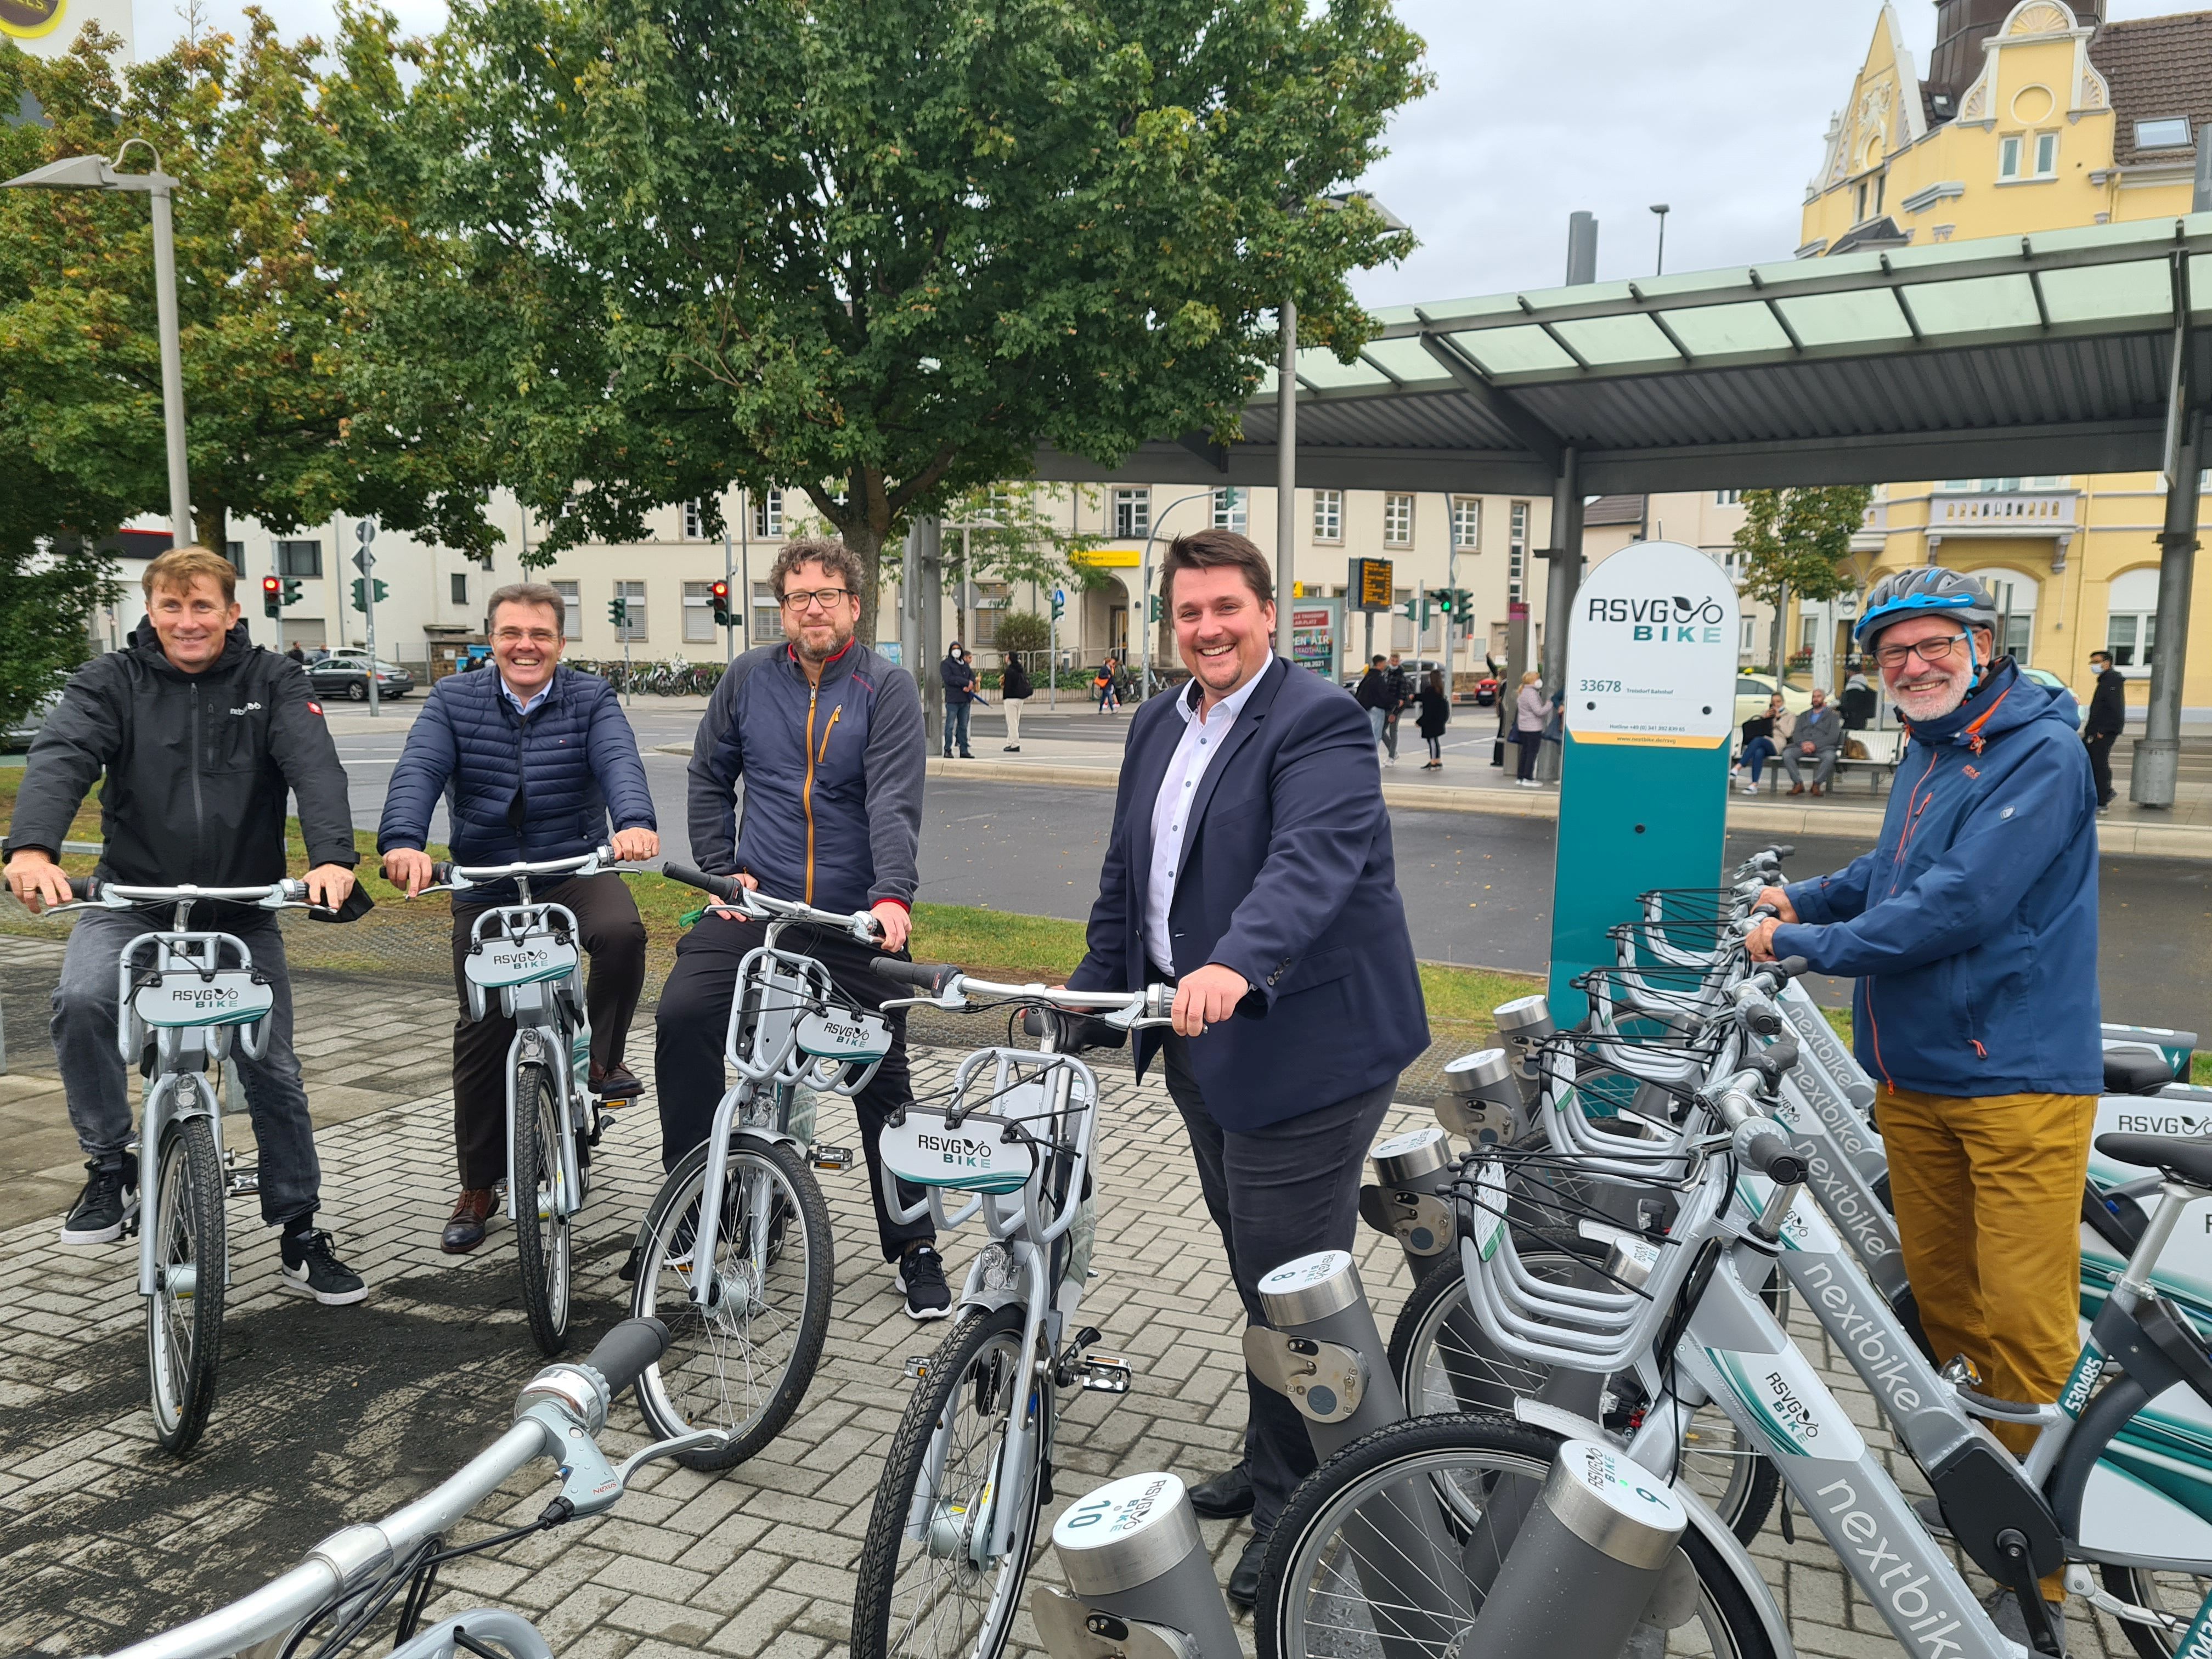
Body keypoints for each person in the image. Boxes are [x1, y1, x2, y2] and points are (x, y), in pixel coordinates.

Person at [1066, 528, 1427, 1607]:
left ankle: (1298, 1507)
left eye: (1227, 608)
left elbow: (1307, 863)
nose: (1209, 629)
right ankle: (1276, 1456)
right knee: (1255, 1273)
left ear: (1268, 611)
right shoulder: (1155, 722)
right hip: (1201, 1043)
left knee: (1288, 1294)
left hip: (1306, 1048)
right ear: (1167, 625)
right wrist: (1084, 992)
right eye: (1188, 614)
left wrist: (1232, 961)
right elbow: (1132, 874)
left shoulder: (1317, 720)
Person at [1745, 566, 2096, 1633]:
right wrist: (1802, 894)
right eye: (1895, 653)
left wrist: (1803, 944)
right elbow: (1894, 870)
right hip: (1922, 1079)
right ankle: (1986, 1499)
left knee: (2025, 1329)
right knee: (1945, 1311)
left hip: (2015, 1083)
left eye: (1935, 643)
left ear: (1982, 644)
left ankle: (2039, 1559)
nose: (1915, 664)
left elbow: (1962, 901)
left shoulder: (2037, 750)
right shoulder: (1936, 752)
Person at [2, 547, 368, 1304]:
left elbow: (315, 768)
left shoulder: (273, 680)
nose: (188, 621)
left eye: (203, 606)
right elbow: (63, 754)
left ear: (232, 613)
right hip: (132, 896)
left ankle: (299, 1231)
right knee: (82, 1001)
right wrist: (33, 847)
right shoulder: (112, 680)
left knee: (272, 1067)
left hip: (241, 904)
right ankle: (109, 1164)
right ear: (152, 612)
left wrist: (333, 860)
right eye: (172, 607)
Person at [659, 538, 949, 1319]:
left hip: (854, 916)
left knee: (884, 1078)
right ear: (781, 609)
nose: (811, 607)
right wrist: (724, 869)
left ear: (855, 604)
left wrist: (892, 899)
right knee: (684, 1016)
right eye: (797, 597)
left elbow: (893, 800)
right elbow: (710, 775)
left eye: (826, 594)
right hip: (759, 909)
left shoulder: (884, 688)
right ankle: (691, 1211)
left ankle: (914, 1243)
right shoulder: (750, 678)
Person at [379, 583, 659, 1254]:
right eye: (511, 634)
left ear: (560, 643)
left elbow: (620, 760)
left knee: (621, 934)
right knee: (482, 1025)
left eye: (539, 635)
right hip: (488, 878)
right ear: (491, 641)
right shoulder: (453, 699)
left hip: (574, 868)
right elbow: (419, 769)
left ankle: (602, 1064)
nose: (525, 646)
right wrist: (402, 841)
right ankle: (478, 1184)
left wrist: (636, 823)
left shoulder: (590, 698)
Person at [2083, 648, 2126, 813]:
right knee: (2093, 761)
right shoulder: (2106, 680)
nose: (2094, 665)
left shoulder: (2111, 682)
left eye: (2096, 662)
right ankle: (2106, 792)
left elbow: (2115, 709)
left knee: (2098, 765)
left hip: (2103, 732)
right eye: (2092, 662)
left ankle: (2102, 801)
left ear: (2106, 663)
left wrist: (2103, 731)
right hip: (2097, 731)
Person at [1782, 686, 1843, 795]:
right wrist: (1803, 744)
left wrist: (1815, 745)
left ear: (1824, 699)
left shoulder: (1833, 716)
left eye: (1818, 697)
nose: (1816, 699)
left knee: (1830, 757)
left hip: (1823, 747)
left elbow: (1833, 736)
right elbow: (1797, 733)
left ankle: (1817, 784)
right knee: (1787, 754)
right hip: (1802, 746)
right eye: (1814, 697)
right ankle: (1798, 783)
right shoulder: (1804, 715)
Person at [1736, 695, 1784, 794]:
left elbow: (1788, 733)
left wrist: (1779, 719)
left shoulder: (1789, 715)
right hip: (1763, 743)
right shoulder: (1766, 713)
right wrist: (1765, 718)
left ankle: (1739, 766)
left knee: (1758, 740)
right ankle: (1754, 785)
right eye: (1774, 702)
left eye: (1778, 702)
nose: (1776, 705)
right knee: (1759, 752)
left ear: (1783, 702)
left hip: (1776, 745)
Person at [939, 642, 977, 759]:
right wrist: (965, 683)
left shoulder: (964, 664)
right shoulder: (946, 664)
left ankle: (964, 750)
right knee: (950, 725)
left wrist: (971, 684)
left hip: (965, 700)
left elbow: (972, 676)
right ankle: (948, 749)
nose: (956, 651)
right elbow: (949, 679)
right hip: (953, 699)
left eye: (958, 649)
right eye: (954, 649)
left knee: (963, 726)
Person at [1511, 669, 1547, 786]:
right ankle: (1528, 778)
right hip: (1533, 728)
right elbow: (1539, 711)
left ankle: (1521, 777)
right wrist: (1549, 705)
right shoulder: (1531, 694)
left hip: (1524, 727)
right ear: (1532, 681)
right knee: (1532, 753)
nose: (1539, 681)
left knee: (1525, 753)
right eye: (1537, 678)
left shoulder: (1523, 692)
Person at [1353, 654, 1391, 752]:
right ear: (1379, 664)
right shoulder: (1379, 678)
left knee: (1368, 733)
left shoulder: (1368, 677)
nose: (1386, 665)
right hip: (1377, 709)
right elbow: (1383, 694)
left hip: (1367, 708)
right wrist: (1392, 703)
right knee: (1376, 734)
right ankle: (1372, 755)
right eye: (1384, 663)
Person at [1380, 651, 1411, 769]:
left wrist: (1395, 713)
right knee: (1382, 731)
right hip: (1387, 706)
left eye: (1396, 661)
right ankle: (1393, 752)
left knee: (1393, 731)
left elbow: (1402, 697)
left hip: (1395, 707)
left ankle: (1392, 757)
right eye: (1393, 661)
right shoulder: (1387, 673)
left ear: (1399, 661)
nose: (1394, 663)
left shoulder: (1401, 676)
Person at [1415, 669, 1451, 769]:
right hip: (1437, 721)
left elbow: (1428, 709)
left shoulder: (1430, 691)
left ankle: (1434, 761)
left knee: (1432, 741)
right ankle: (1437, 760)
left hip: (1431, 722)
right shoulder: (1440, 690)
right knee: (1434, 740)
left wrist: (1420, 722)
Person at [998, 651, 1032, 752]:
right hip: (1020, 699)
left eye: (1007, 656)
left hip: (1011, 698)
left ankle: (1015, 744)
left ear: (1010, 659)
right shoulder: (1020, 669)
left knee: (1011, 721)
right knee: (1015, 721)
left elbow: (1008, 685)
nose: (1006, 658)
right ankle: (1010, 742)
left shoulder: (1010, 671)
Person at [1840, 665, 1877, 732]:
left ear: (1852, 672)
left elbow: (1851, 705)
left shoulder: (1853, 686)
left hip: (1852, 719)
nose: (1847, 673)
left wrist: (1839, 708)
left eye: (1848, 671)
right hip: (1862, 719)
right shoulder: (1862, 684)